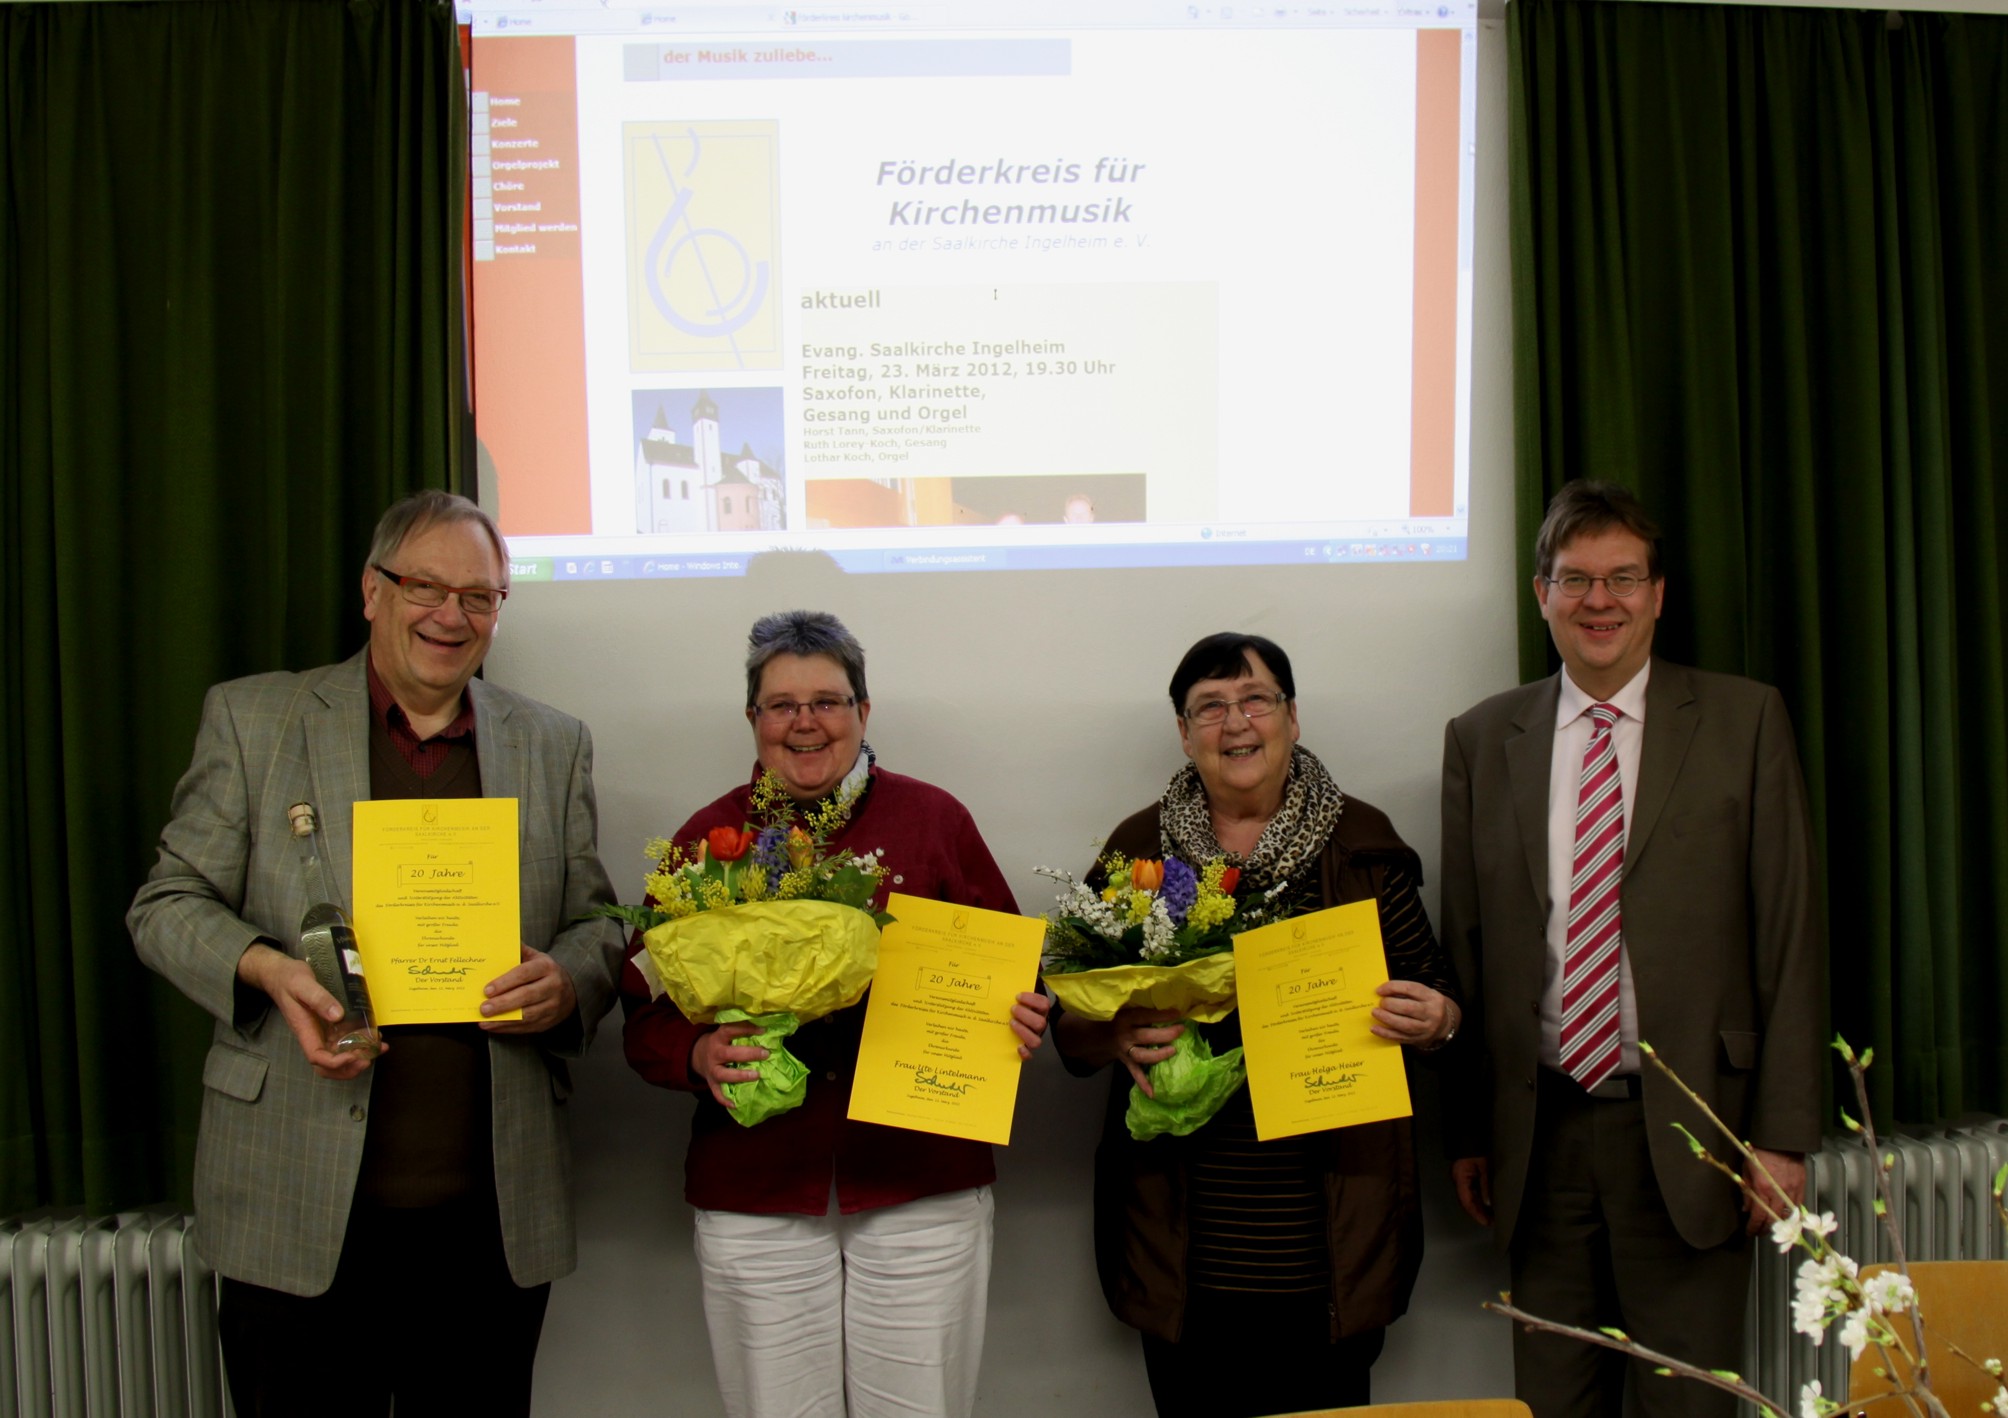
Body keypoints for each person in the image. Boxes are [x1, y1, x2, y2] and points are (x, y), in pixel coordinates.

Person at [127, 491, 625, 1418]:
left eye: (479, 597)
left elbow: (595, 922)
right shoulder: (256, 720)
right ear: (371, 590)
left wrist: (570, 980)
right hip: (296, 1202)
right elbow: (165, 904)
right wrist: (268, 969)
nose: (451, 616)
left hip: (487, 1219)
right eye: (425, 586)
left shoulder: (551, 743)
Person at [1439, 480, 1823, 1418]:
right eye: (1575, 580)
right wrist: (1468, 1130)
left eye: (1622, 579)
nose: (1598, 601)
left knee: (1687, 1405)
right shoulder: (1485, 739)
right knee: (1552, 1404)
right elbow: (1469, 948)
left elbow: (1790, 934)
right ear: (1541, 595)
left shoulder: (1744, 722)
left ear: (1658, 593)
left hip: (1697, 1132)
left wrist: (1782, 1136)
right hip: (1542, 1138)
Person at [621, 609, 1050, 1418]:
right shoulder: (701, 844)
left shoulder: (934, 822)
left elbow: (1017, 974)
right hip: (757, 1188)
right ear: (753, 720)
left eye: (828, 700)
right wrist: (695, 1054)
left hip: (921, 1186)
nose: (806, 722)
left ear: (864, 711)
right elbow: (642, 1013)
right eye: (782, 705)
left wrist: (1026, 1014)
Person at [1054, 632, 1461, 1418]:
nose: (1235, 722)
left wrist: (1438, 1018)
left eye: (1255, 700)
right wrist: (1108, 1036)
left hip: (1330, 1246)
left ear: (1292, 717)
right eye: (1210, 707)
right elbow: (1069, 1025)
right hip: (1184, 1249)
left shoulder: (1363, 845)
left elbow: (1441, 1004)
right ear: (1183, 732)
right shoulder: (1137, 851)